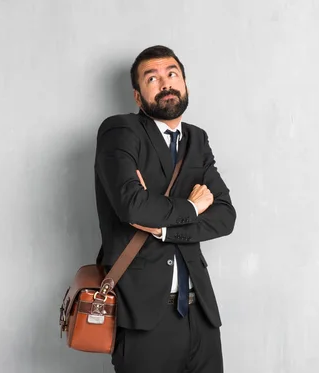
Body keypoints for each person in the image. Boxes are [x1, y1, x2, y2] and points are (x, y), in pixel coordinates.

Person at [94, 45, 237, 373]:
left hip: (200, 314)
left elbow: (225, 215)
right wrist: (192, 205)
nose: (165, 83)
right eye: (152, 78)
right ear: (137, 95)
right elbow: (133, 206)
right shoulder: (121, 132)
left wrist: (163, 227)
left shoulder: (196, 140)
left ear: (184, 83)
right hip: (144, 319)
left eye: (172, 74)